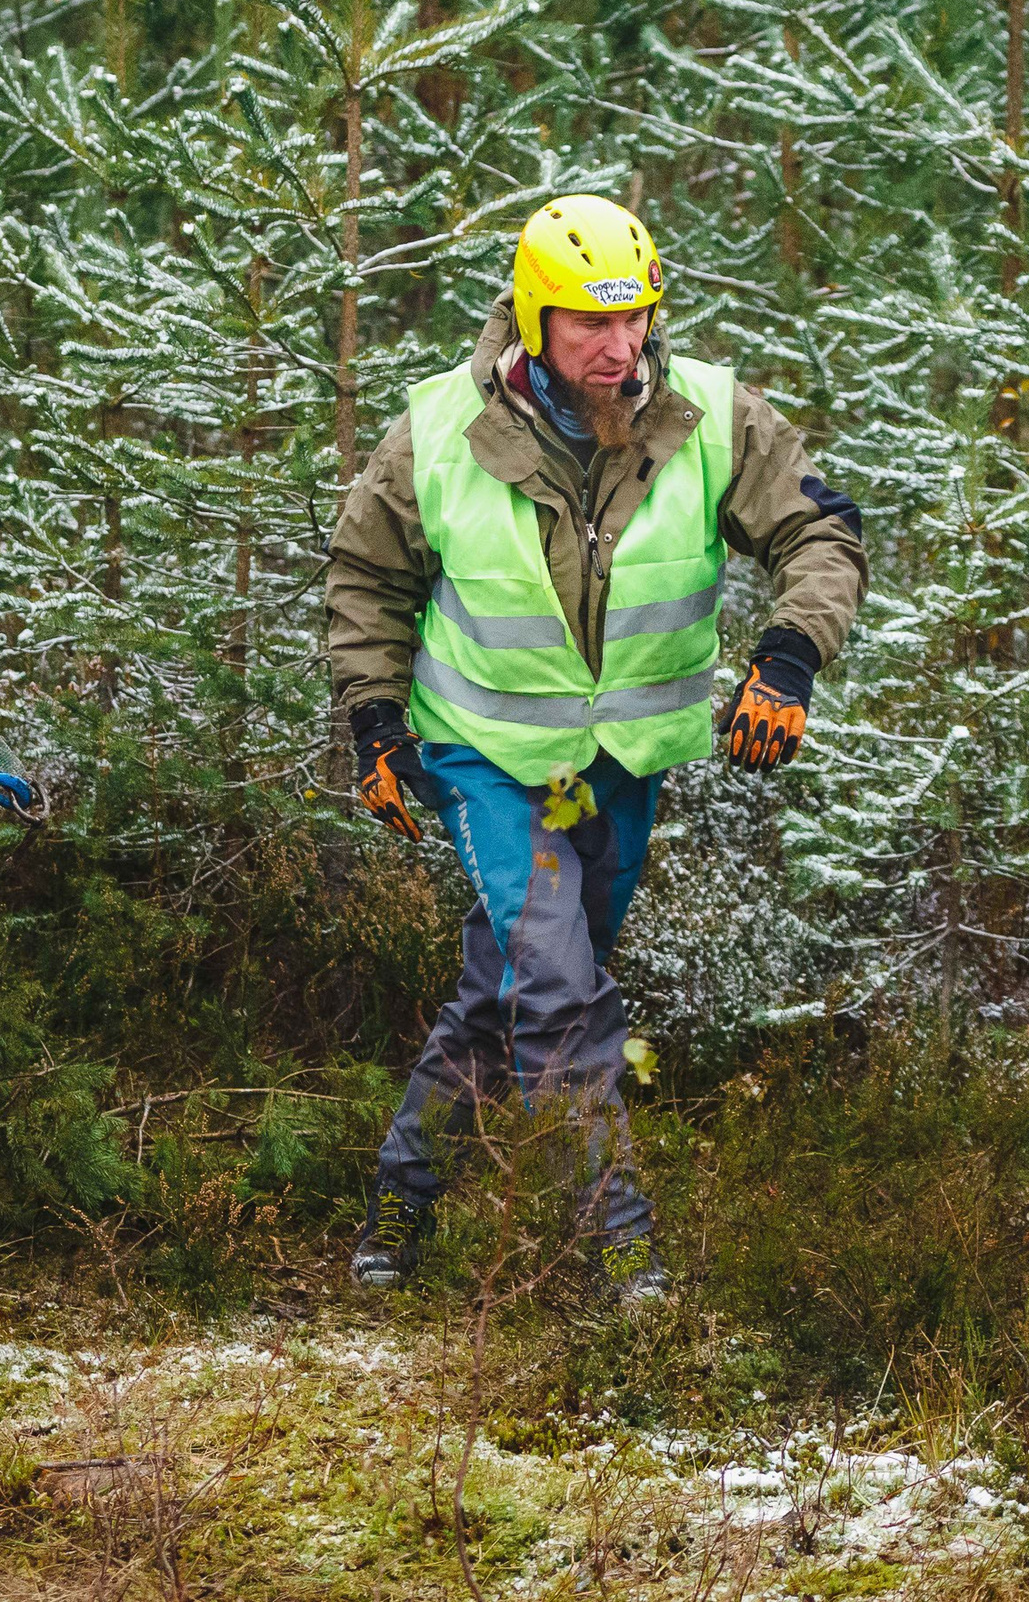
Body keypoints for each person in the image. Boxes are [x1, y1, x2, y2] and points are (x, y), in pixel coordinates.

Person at [325, 195, 867, 1298]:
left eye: (635, 318)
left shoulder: (711, 414)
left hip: (622, 761)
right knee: (559, 989)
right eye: (587, 324)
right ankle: (622, 1254)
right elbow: (368, 576)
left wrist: (788, 656)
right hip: (483, 754)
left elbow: (819, 527)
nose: (619, 348)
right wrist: (375, 722)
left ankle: (397, 1205)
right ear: (533, 319)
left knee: (509, 988)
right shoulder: (436, 430)